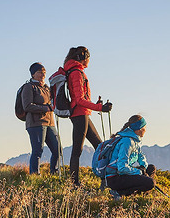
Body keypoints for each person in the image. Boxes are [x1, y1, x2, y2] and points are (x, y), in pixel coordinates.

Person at [59, 46, 112, 186]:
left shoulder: (76, 71)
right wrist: (100, 107)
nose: (89, 60)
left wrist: (96, 105)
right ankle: (74, 184)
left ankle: (105, 180)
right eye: (88, 57)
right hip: (79, 114)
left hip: (82, 114)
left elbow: (81, 99)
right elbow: (79, 100)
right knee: (78, 150)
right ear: (82, 58)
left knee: (100, 146)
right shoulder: (76, 73)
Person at [21, 62, 59, 174]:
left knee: (57, 150)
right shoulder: (28, 87)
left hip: (50, 123)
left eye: (44, 72)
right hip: (35, 123)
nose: (43, 74)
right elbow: (27, 106)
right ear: (33, 74)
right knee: (38, 151)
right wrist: (45, 108)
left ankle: (54, 172)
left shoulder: (46, 88)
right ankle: (34, 175)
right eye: (39, 72)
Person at [105, 115, 156, 198]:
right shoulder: (127, 142)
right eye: (145, 127)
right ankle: (118, 193)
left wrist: (143, 167)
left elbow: (141, 156)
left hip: (123, 174)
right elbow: (122, 168)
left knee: (151, 168)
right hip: (115, 178)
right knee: (151, 183)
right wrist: (139, 172)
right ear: (140, 129)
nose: (146, 130)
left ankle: (140, 190)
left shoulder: (135, 140)